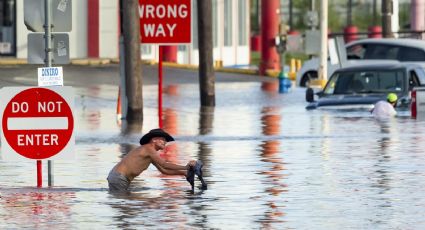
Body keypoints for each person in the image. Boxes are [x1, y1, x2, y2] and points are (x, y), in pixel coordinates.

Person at [107, 128, 204, 193]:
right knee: (124, 203)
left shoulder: (150, 154)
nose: (165, 142)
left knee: (125, 202)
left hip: (120, 178)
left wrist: (184, 173)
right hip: (119, 178)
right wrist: (186, 167)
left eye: (165, 140)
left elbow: (163, 170)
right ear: (153, 140)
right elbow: (165, 164)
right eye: (162, 139)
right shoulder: (148, 148)